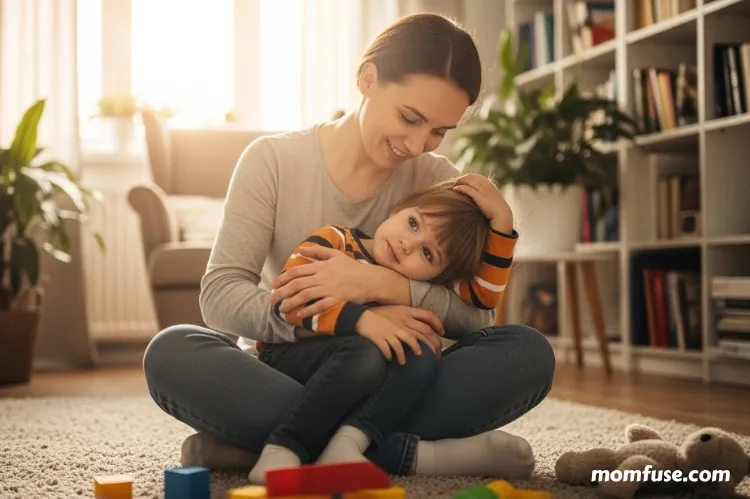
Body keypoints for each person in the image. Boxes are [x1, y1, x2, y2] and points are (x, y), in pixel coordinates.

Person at [142, 12, 555, 480]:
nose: (419, 144)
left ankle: (274, 444)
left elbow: (476, 319)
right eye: (410, 118)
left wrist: (380, 283)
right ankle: (410, 454)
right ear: (367, 78)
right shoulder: (272, 161)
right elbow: (220, 296)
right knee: (171, 352)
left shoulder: (438, 180)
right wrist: (354, 321)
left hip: (397, 378)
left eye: (439, 131)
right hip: (290, 367)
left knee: (526, 353)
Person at [248, 179, 514, 483]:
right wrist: (365, 321)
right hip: (289, 357)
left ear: (440, 276)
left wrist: (502, 224)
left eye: (428, 254)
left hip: (362, 377)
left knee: (421, 351)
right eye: (413, 224)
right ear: (397, 208)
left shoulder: (418, 284)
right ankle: (283, 446)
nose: (407, 244)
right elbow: (287, 301)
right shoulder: (335, 240)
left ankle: (347, 445)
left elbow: (483, 299)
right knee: (366, 351)